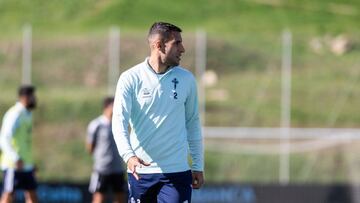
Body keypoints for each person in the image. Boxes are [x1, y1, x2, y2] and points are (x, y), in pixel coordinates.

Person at [112, 22, 204, 203]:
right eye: (177, 43)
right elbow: (119, 122)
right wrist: (128, 156)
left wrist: (198, 164)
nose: (183, 49)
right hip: (141, 174)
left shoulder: (186, 79)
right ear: (159, 45)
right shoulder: (130, 78)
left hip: (177, 172)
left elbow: (192, 123)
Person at [0, 85, 38, 203]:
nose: (34, 99)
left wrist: (30, 163)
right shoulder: (14, 114)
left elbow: (24, 142)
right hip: (13, 164)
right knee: (9, 194)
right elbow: (4, 138)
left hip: (26, 163)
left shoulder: (28, 114)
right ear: (24, 97)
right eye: (32, 96)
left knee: (31, 194)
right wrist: (15, 157)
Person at [86, 97, 126, 203]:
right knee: (99, 197)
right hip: (102, 168)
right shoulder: (96, 125)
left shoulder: (119, 124)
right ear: (107, 107)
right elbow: (90, 147)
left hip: (117, 168)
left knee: (120, 197)